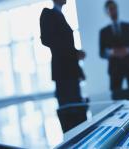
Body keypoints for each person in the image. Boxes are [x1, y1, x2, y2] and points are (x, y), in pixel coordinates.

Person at [40, 0, 87, 132]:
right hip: (62, 72)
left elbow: (65, 45)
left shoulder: (61, 15)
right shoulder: (47, 13)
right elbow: (47, 39)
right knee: (68, 115)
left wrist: (76, 55)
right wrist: (74, 52)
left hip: (72, 72)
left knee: (78, 113)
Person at [99, 0, 129, 100]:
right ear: (107, 12)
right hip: (115, 69)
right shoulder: (103, 32)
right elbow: (101, 53)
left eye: (114, 8)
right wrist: (112, 52)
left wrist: (127, 50)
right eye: (110, 9)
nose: (113, 11)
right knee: (117, 99)